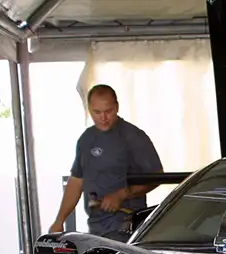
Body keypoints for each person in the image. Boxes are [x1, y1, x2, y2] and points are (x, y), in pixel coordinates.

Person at [49, 84, 163, 239]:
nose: (103, 118)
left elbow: (157, 176)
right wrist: (59, 220)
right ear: (89, 109)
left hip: (127, 226)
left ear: (116, 107)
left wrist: (121, 195)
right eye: (97, 112)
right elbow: (76, 181)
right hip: (96, 226)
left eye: (108, 111)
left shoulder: (133, 137)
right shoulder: (86, 139)